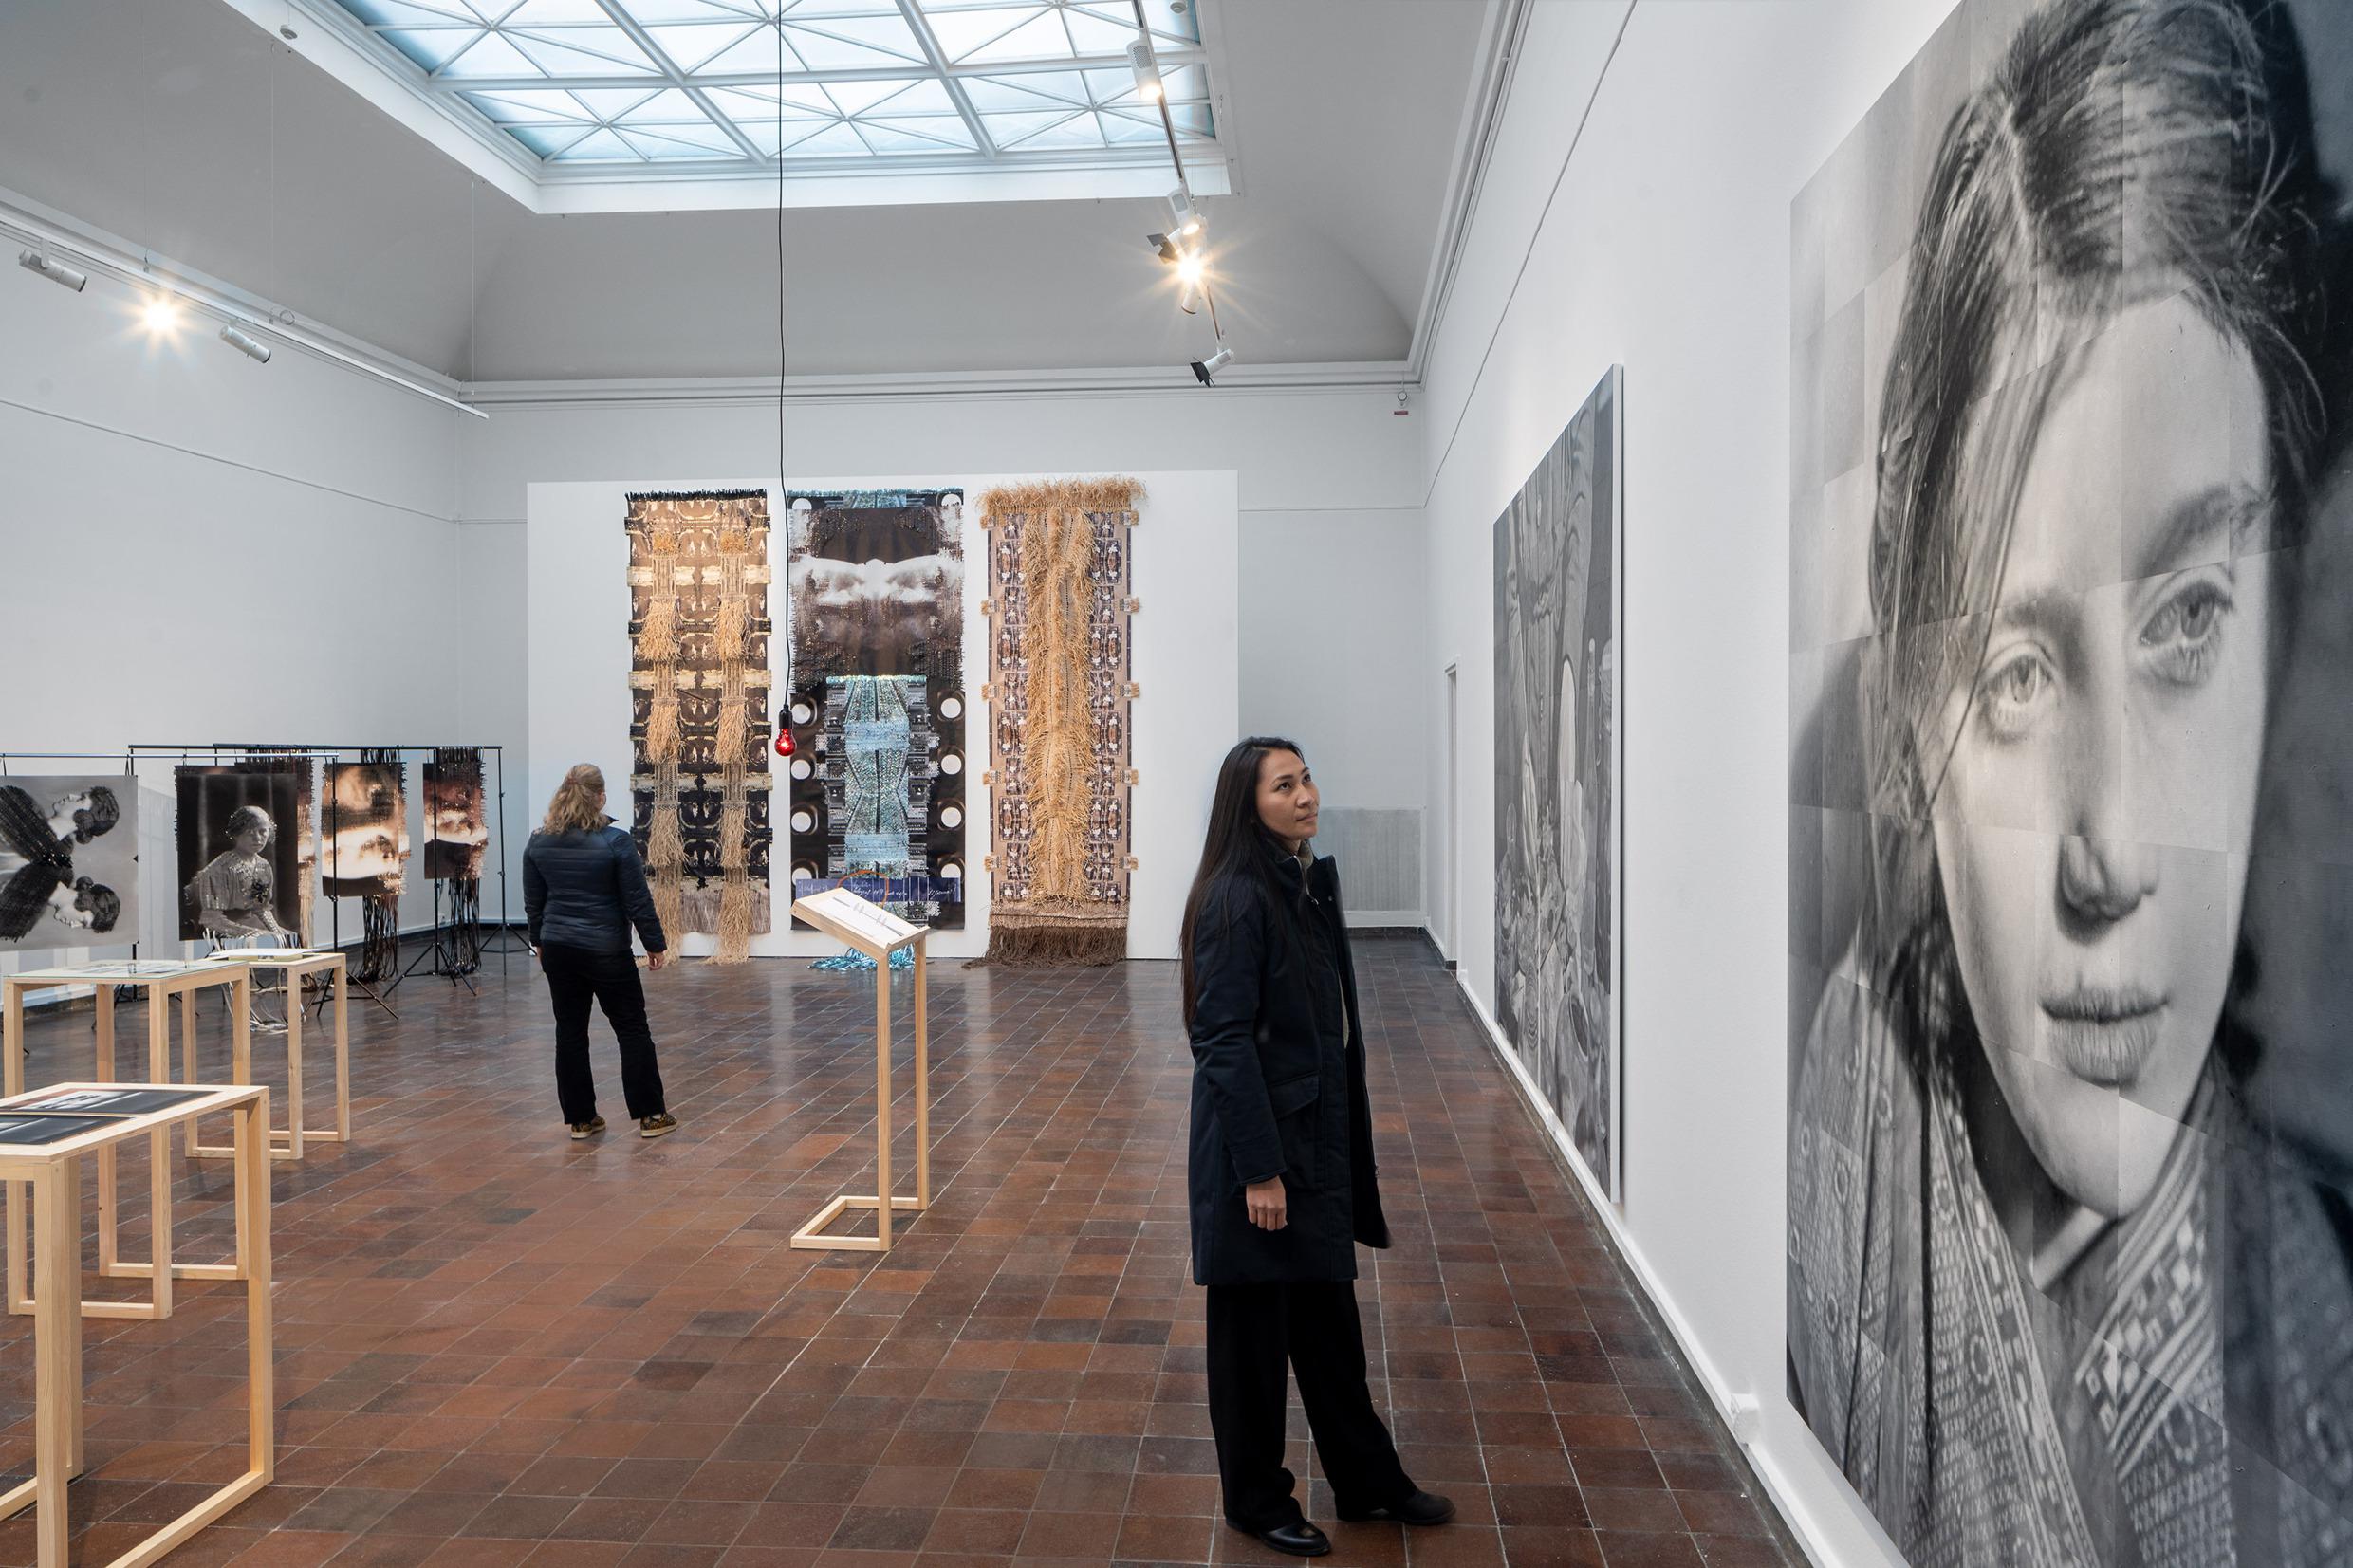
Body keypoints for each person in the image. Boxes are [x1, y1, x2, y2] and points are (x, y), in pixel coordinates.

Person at [1787, 2, 2352, 1562]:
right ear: (1917, 712)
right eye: (2017, 671)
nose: (2106, 850)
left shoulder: (2319, 1363)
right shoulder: (1824, 1121)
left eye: (2189, 620)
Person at [1180, 737, 1452, 1557]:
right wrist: (1260, 1169)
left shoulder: (1296, 882)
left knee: (1331, 1326)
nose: (1307, 796)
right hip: (1259, 1153)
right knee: (1252, 1341)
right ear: (1248, 803)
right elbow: (1221, 1041)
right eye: (1285, 785)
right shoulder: (1238, 896)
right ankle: (1256, 1501)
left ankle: (1367, 1479)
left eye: (1307, 780)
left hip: (1313, 1138)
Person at [524, 764, 677, 1141]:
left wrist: (539, 941)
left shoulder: (538, 841)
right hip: (606, 949)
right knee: (631, 1028)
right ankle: (651, 1115)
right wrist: (654, 944)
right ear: (601, 798)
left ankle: (581, 1119)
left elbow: (534, 903)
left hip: (559, 949)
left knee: (570, 1032)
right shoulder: (616, 841)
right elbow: (637, 900)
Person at [186, 803, 289, 941]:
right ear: (236, 833)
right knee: (270, 940)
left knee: (290, 937)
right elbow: (211, 920)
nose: (258, 838)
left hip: (252, 922)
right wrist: (256, 935)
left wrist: (278, 932)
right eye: (249, 832)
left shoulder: (263, 866)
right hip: (221, 929)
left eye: (262, 831)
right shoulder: (219, 870)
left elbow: (260, 907)